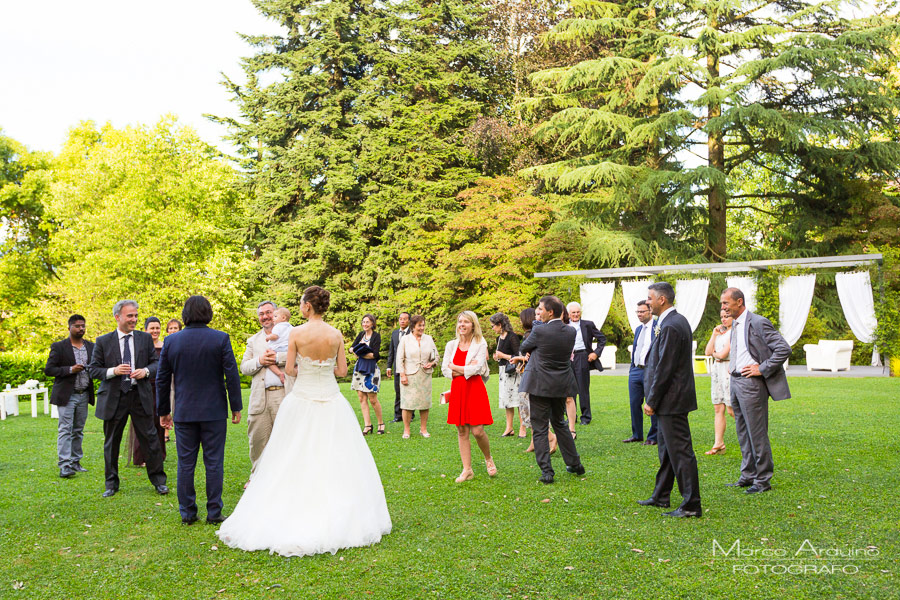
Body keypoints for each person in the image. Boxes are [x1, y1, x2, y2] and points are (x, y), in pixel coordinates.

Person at [217, 286, 392, 556]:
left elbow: (289, 369)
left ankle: (295, 506)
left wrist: (306, 367)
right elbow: (343, 370)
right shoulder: (335, 334)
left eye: (301, 303)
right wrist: (324, 367)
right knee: (334, 455)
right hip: (331, 399)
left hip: (301, 398)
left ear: (307, 306)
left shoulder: (297, 333)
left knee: (292, 454)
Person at [157, 295, 243, 525]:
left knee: (185, 463)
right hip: (214, 410)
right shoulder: (220, 339)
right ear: (208, 313)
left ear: (185, 314)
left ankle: (187, 513)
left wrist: (163, 410)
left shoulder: (171, 341)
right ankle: (214, 512)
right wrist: (236, 406)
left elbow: (162, 379)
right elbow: (231, 375)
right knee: (214, 462)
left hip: (184, 410)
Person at [87, 300, 168, 498]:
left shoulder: (144, 339)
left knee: (150, 439)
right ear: (118, 317)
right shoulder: (103, 341)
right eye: (130, 316)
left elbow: (157, 363)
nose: (134, 319)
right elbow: (93, 370)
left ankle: (159, 481)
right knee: (112, 441)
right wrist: (113, 371)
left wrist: (146, 371)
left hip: (140, 396)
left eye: (136, 316)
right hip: (115, 398)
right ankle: (111, 484)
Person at [638, 282, 701, 518]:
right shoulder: (671, 322)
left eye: (650, 299)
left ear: (662, 299)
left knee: (681, 452)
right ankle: (661, 495)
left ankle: (691, 504)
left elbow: (665, 367)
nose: (647, 303)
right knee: (666, 451)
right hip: (670, 399)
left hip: (672, 400)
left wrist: (651, 400)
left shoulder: (672, 325)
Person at [720, 287, 791, 494]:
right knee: (742, 432)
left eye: (726, 303)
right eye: (722, 304)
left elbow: (783, 349)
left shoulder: (758, 322)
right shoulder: (734, 324)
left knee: (756, 433)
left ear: (739, 302)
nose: (723, 307)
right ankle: (748, 475)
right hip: (735, 382)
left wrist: (762, 368)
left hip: (751, 385)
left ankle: (762, 480)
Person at [516, 296, 585, 485]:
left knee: (539, 428)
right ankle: (575, 463)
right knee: (560, 423)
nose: (538, 312)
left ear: (550, 312)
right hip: (560, 384)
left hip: (539, 384)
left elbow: (524, 347)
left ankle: (547, 471)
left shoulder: (540, 330)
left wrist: (536, 333)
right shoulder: (570, 331)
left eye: (540, 309)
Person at [442, 311, 496, 482]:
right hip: (458, 389)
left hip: (474, 388)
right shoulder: (451, 345)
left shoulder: (480, 343)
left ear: (473, 325)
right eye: (460, 322)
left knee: (478, 430)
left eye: (466, 322)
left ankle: (488, 458)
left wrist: (455, 367)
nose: (462, 325)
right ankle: (467, 470)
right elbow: (445, 369)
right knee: (462, 430)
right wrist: (463, 369)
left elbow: (477, 369)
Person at [240, 301, 291, 476]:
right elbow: (244, 367)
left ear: (276, 313)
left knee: (286, 438)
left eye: (269, 312)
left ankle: (286, 478)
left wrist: (278, 358)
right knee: (257, 441)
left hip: (283, 394)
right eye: (261, 314)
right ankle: (256, 477)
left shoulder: (291, 333)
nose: (265, 316)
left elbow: (300, 357)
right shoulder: (254, 341)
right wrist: (260, 361)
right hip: (260, 398)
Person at [44, 314, 95, 478]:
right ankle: (64, 465)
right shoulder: (59, 347)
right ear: (69, 328)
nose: (81, 329)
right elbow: (49, 370)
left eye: (83, 326)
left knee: (78, 430)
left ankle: (75, 462)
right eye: (77, 326)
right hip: (67, 395)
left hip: (84, 394)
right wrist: (70, 370)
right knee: (65, 429)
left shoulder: (91, 346)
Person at [127, 317, 167, 466]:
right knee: (144, 422)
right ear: (145, 330)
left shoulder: (165, 346)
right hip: (143, 387)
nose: (155, 331)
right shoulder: (140, 346)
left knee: (159, 421)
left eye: (157, 328)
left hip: (161, 388)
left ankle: (159, 455)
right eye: (152, 328)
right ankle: (141, 457)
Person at [517, 308, 558, 454]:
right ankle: (534, 441)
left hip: (533, 376)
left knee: (530, 408)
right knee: (530, 408)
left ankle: (550, 437)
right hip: (533, 374)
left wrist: (520, 357)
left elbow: (529, 353)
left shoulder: (533, 333)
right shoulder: (537, 332)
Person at [396, 315, 439, 438]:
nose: (422, 328)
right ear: (413, 327)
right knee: (407, 403)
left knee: (424, 403)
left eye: (423, 325)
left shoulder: (429, 339)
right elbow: (399, 358)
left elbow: (436, 356)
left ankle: (423, 429)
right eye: (419, 325)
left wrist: (432, 363)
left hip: (424, 375)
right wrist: (402, 375)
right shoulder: (405, 339)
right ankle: (406, 430)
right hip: (409, 375)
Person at [624, 300, 659, 445]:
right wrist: (632, 367)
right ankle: (637, 434)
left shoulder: (658, 327)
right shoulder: (638, 329)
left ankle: (653, 436)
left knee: (651, 402)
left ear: (650, 311)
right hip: (636, 370)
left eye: (642, 311)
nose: (639, 314)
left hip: (650, 370)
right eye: (637, 311)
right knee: (634, 403)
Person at [565, 302, 606, 426]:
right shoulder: (563, 325)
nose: (576, 314)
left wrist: (596, 353)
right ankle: (571, 417)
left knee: (583, 388)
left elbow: (602, 338)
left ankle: (586, 417)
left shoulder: (588, 324)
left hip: (582, 357)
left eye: (578, 312)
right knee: (568, 389)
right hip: (567, 358)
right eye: (573, 312)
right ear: (568, 314)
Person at [704, 308, 735, 455]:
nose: (724, 319)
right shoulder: (720, 333)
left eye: (727, 316)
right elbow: (707, 352)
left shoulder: (734, 332)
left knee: (731, 410)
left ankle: (751, 435)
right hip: (717, 370)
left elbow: (722, 354)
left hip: (728, 369)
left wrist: (715, 355)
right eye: (722, 317)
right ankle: (718, 443)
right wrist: (714, 334)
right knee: (718, 407)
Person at [490, 313, 524, 438]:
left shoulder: (512, 337)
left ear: (500, 325)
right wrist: (497, 357)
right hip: (503, 372)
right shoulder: (499, 339)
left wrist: (503, 355)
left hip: (513, 372)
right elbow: (501, 356)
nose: (492, 328)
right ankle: (509, 427)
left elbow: (518, 356)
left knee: (518, 400)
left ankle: (522, 427)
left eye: (493, 326)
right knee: (507, 401)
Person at [351, 314, 385, 435]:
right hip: (359, 368)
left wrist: (359, 353)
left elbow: (375, 355)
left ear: (372, 324)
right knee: (361, 397)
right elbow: (352, 348)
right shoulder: (361, 335)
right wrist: (358, 351)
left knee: (372, 398)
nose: (365, 324)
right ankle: (367, 425)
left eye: (367, 322)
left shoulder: (376, 336)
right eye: (363, 322)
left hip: (371, 369)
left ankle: (381, 423)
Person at [385, 312, 411, 423]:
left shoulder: (412, 333)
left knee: (409, 391)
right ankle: (398, 415)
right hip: (397, 366)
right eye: (400, 319)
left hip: (410, 367)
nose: (402, 321)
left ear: (409, 321)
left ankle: (410, 414)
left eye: (405, 319)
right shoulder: (395, 333)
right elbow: (392, 351)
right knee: (398, 391)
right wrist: (388, 366)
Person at [163, 318, 182, 442]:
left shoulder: (183, 341)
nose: (173, 330)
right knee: (168, 400)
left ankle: (179, 432)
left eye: (175, 328)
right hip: (169, 376)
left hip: (180, 375)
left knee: (179, 402)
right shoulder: (166, 342)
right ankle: (166, 431)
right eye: (171, 328)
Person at [263, 307, 293, 385]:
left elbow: (275, 336)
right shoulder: (291, 327)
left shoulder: (278, 326)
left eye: (275, 316)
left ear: (283, 318)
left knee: (268, 360)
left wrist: (268, 337)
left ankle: (279, 373)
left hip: (278, 348)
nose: (273, 318)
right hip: (287, 348)